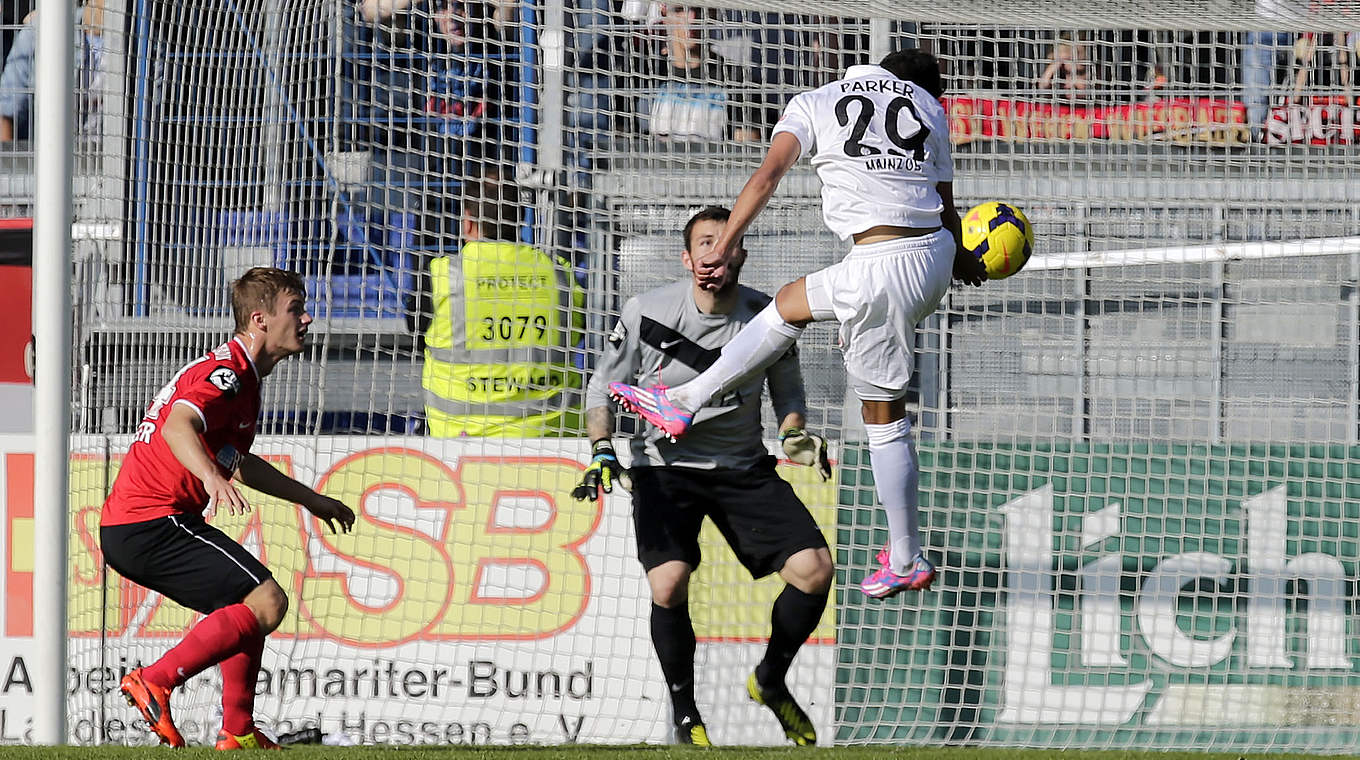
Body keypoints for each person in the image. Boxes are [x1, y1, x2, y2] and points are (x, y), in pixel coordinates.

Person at [609, 49, 989, 600]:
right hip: (929, 255)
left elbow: (766, 176)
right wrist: (960, 262)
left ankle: (907, 556)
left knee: (884, 419)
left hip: (880, 268)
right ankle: (687, 398)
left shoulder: (816, 100)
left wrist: (727, 238)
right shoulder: (931, 108)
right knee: (789, 304)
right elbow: (947, 208)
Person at [577, 206, 834, 746]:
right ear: (687, 257)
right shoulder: (648, 311)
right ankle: (685, 715)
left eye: (725, 243)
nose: (713, 255)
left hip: (741, 467)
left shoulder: (769, 315)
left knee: (814, 571)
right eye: (703, 244)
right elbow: (602, 388)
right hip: (663, 468)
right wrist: (602, 448)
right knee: (668, 582)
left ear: (740, 253)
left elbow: (786, 391)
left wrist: (793, 433)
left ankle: (769, 680)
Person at [100, 267, 356, 750]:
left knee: (246, 604)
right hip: (152, 520)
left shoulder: (245, 378)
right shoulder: (227, 372)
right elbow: (178, 425)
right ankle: (155, 680)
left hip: (137, 526)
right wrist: (211, 478)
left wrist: (312, 500)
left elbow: (238, 462)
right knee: (268, 600)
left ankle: (237, 731)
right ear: (260, 319)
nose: (307, 320)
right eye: (295, 309)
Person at [410, 177, 586, 436]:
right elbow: (578, 332)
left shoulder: (442, 275)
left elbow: (417, 336)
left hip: (460, 438)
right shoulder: (559, 273)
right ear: (521, 219)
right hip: (551, 437)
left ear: (467, 221)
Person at [0, 0, 105, 144]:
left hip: (111, 157)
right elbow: (5, 110)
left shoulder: (135, 42)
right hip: (44, 153)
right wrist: (10, 165)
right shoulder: (42, 30)